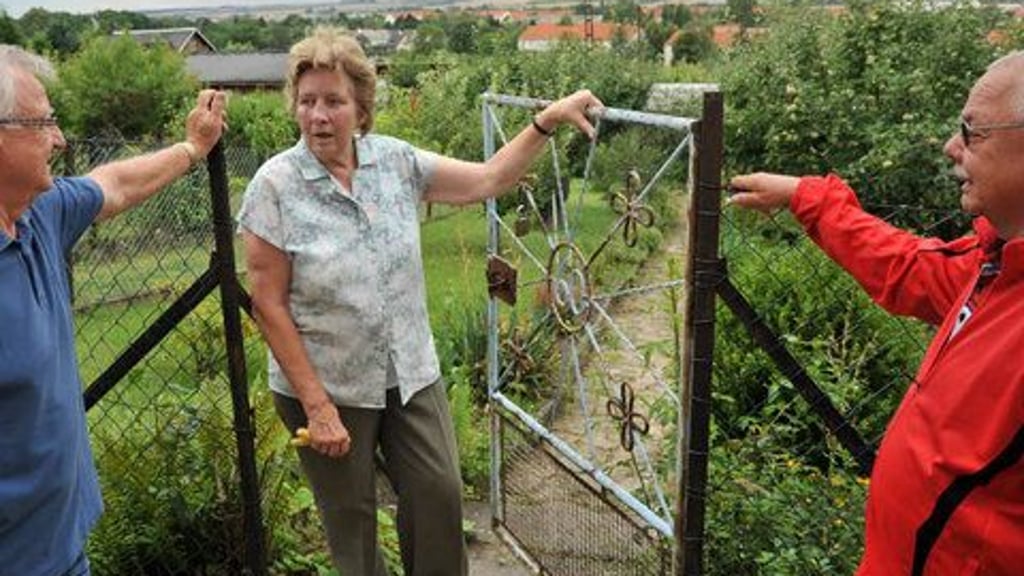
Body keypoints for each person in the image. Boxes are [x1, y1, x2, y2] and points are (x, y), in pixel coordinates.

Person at [236, 27, 602, 576]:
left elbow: (488, 179)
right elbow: (269, 304)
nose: (319, 116)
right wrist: (317, 406)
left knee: (439, 493)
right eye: (307, 101)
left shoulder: (396, 162)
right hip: (326, 382)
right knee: (352, 521)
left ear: (360, 108)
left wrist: (545, 121)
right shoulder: (274, 187)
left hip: (408, 370)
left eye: (334, 101)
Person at [728, 51, 1024, 575]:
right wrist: (807, 198)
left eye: (972, 132)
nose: (950, 147)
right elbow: (908, 268)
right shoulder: (994, 265)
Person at [0, 45, 227, 576]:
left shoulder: (41, 215)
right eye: (43, 123)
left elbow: (117, 184)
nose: (59, 139)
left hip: (62, 548)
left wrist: (193, 147)